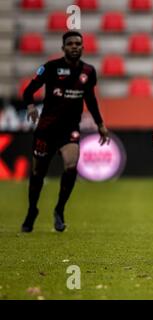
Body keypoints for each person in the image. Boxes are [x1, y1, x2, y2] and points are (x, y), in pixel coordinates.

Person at [21, 31, 110, 233]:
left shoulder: (89, 71)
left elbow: (91, 100)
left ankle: (59, 211)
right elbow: (28, 91)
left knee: (71, 167)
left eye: (78, 43)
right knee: (37, 174)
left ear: (83, 47)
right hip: (46, 130)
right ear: (63, 48)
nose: (74, 46)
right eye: (70, 43)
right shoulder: (50, 68)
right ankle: (31, 210)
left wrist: (100, 124)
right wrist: (30, 106)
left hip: (70, 130)